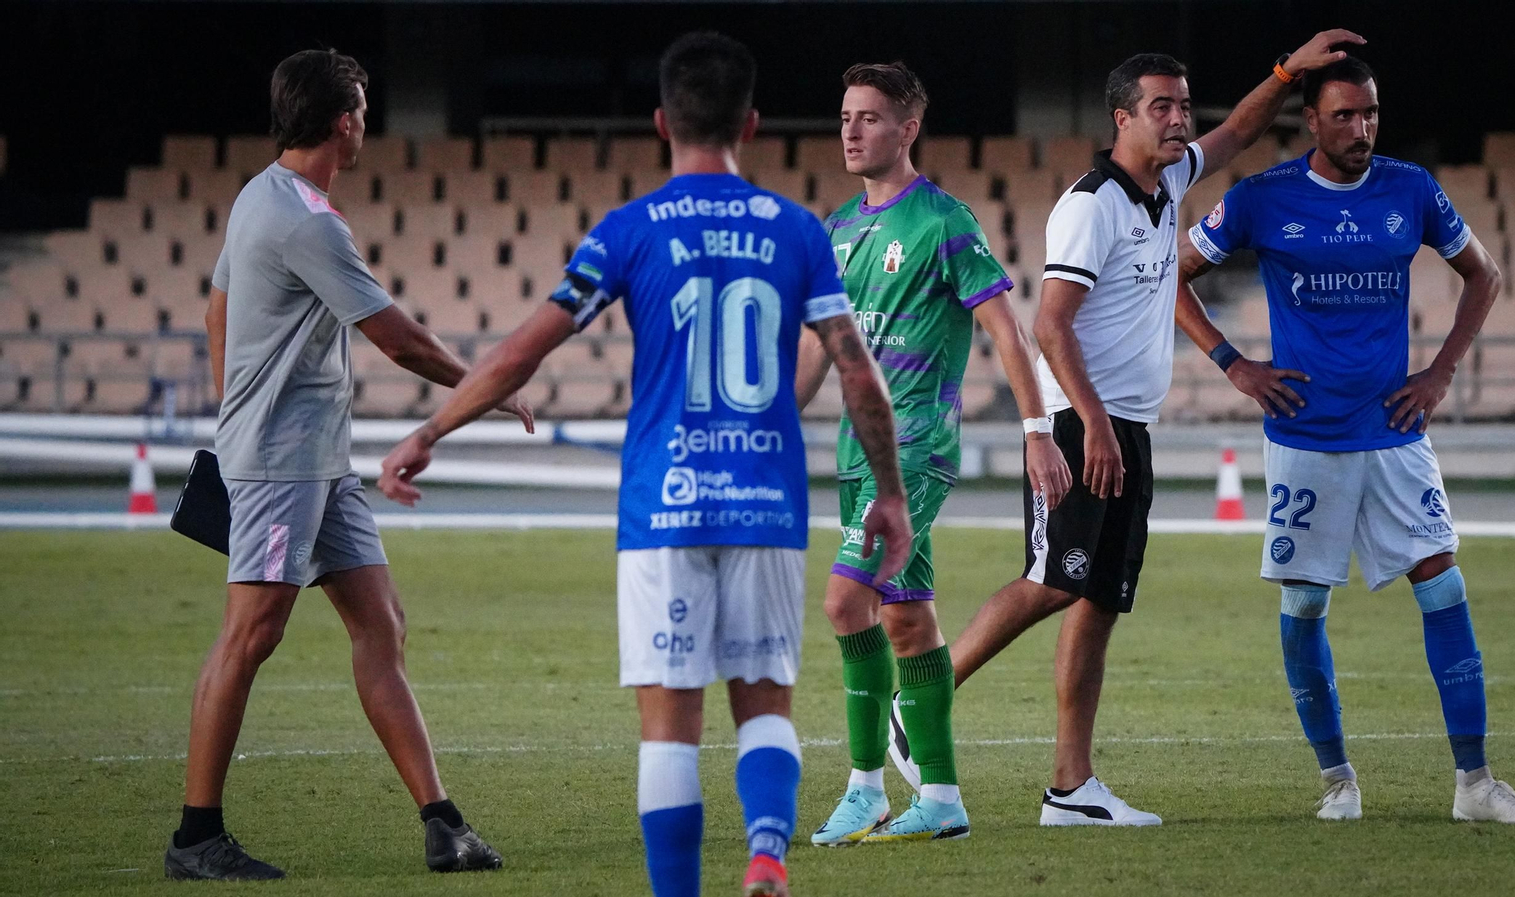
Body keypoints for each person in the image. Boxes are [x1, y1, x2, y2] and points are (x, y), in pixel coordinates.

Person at [377, 32, 913, 897]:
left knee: (669, 726)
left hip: (662, 503)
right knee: (765, 704)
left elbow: (523, 352)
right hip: (765, 501)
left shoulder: (627, 231)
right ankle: (768, 854)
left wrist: (430, 430)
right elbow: (857, 370)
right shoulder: (798, 231)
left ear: (662, 121)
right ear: (753, 122)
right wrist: (889, 492)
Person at [886, 31, 1365, 827]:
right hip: (1084, 422)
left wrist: (1286, 70)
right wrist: (1094, 427)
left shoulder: (1170, 179)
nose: (1179, 120)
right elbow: (1050, 325)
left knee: (1098, 597)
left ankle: (1071, 788)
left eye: (1183, 105)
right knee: (1052, 578)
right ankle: (919, 703)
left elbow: (1240, 131)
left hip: (1125, 426)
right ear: (1122, 118)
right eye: (1161, 107)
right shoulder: (1091, 205)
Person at [167, 49, 528, 880]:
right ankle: (195, 836)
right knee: (250, 636)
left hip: (318, 464)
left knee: (382, 625)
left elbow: (217, 303)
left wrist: (234, 401)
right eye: (363, 108)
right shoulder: (307, 220)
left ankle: (443, 823)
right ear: (343, 121)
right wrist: (488, 386)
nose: (367, 121)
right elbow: (398, 338)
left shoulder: (261, 194)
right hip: (280, 467)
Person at [1177, 56, 1515, 824]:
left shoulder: (1410, 187)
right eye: (1344, 115)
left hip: (1393, 429)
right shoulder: (1262, 198)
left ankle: (1475, 784)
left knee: (1442, 580)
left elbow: (1485, 275)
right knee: (1308, 601)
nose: (1362, 128)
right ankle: (1338, 779)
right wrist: (1233, 363)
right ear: (1310, 120)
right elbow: (1166, 275)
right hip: (1304, 433)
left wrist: (1440, 372)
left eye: (1371, 113)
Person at [797, 61, 1072, 846]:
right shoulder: (837, 230)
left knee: (845, 602)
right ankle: (943, 799)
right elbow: (816, 356)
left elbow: (1005, 332)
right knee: (908, 623)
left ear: (908, 128)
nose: (851, 130)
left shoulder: (944, 221)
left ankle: (863, 787)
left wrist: (1036, 430)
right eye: (846, 115)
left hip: (916, 444)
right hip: (858, 453)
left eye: (870, 117)